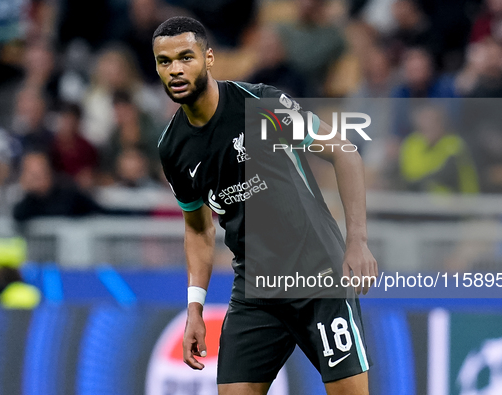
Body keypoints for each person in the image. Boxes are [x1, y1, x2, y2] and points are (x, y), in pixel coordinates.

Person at [153, 17, 376, 395]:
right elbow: (198, 228)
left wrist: (357, 240)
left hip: (317, 277)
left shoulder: (259, 105)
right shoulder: (173, 148)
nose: (175, 69)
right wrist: (195, 307)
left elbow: (344, 152)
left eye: (185, 57)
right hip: (256, 291)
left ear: (209, 59)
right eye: (164, 61)